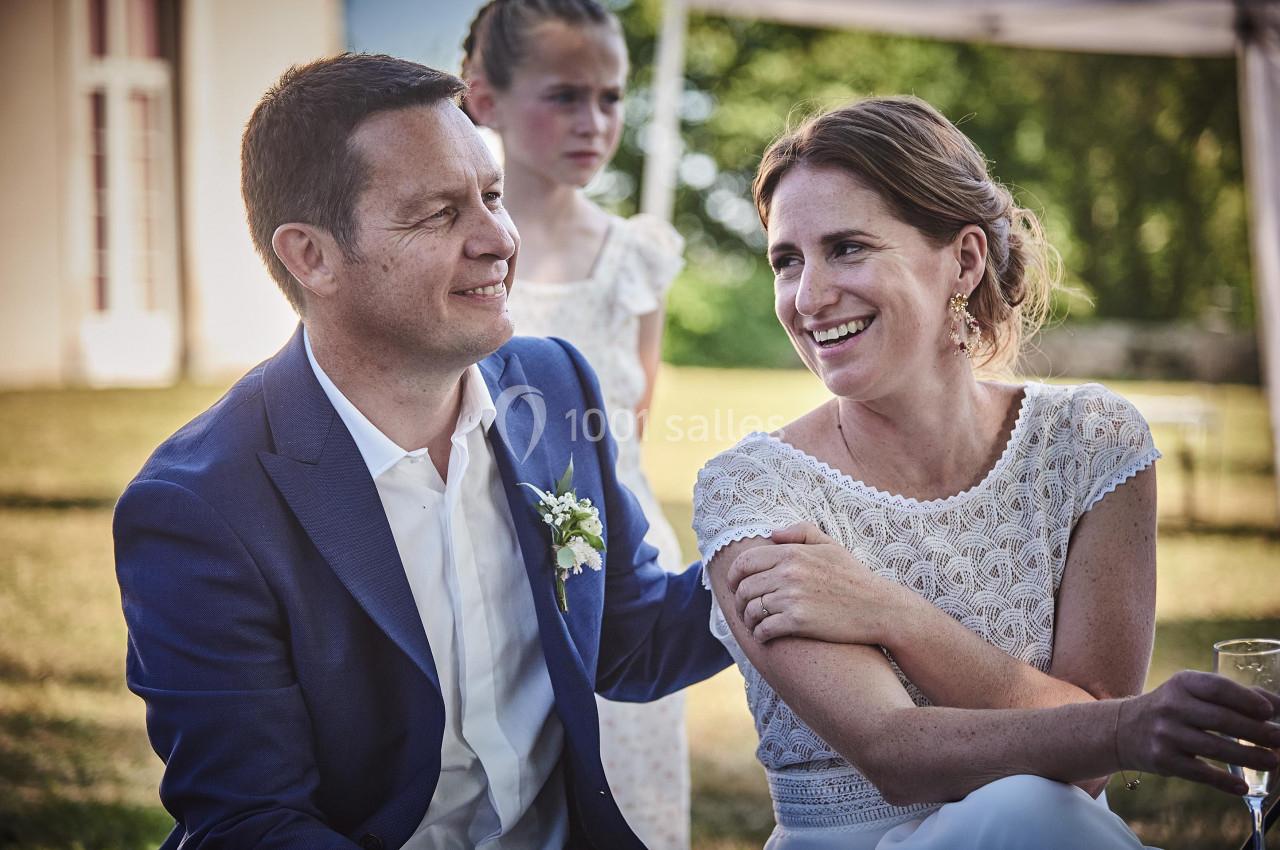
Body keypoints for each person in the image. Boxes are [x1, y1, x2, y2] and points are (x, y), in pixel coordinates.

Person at [112, 53, 730, 850]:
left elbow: (630, 639)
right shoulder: (199, 507)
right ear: (311, 256)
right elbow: (252, 821)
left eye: (492, 196)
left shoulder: (552, 385)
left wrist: (797, 518)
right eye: (439, 213)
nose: (499, 239)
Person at [690, 96, 1280, 849]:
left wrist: (889, 612)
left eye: (848, 248)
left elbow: (1088, 764)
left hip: (1057, 830)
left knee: (1035, 810)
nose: (808, 297)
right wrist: (1112, 727)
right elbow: (893, 751)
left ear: (964, 261)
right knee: (1027, 809)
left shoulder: (1089, 442)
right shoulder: (752, 490)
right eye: (787, 261)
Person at [460, 2, 691, 846]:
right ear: (483, 98)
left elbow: (628, 424)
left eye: (611, 97)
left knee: (627, 791)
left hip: (617, 559)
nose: (594, 121)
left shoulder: (637, 256)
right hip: (486, 557)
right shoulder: (465, 259)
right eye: (564, 95)